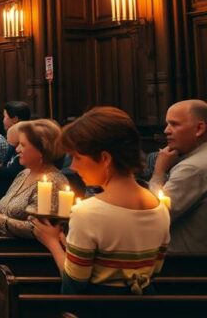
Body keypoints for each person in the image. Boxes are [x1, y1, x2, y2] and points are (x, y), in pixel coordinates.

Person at [32, 107, 170, 295]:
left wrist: (52, 243)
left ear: (105, 158)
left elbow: (73, 285)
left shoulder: (89, 212)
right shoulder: (159, 205)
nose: (72, 166)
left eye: (77, 157)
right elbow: (153, 271)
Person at [0, 120, 68, 238]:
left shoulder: (54, 182)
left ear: (41, 150)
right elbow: (5, 211)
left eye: (23, 145)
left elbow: (38, 230)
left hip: (20, 251)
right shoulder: (24, 173)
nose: (17, 150)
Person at [149, 99, 207, 254]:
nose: (166, 130)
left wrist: (159, 171)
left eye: (174, 124)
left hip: (182, 265)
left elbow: (152, 217)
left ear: (199, 128)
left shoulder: (192, 168)